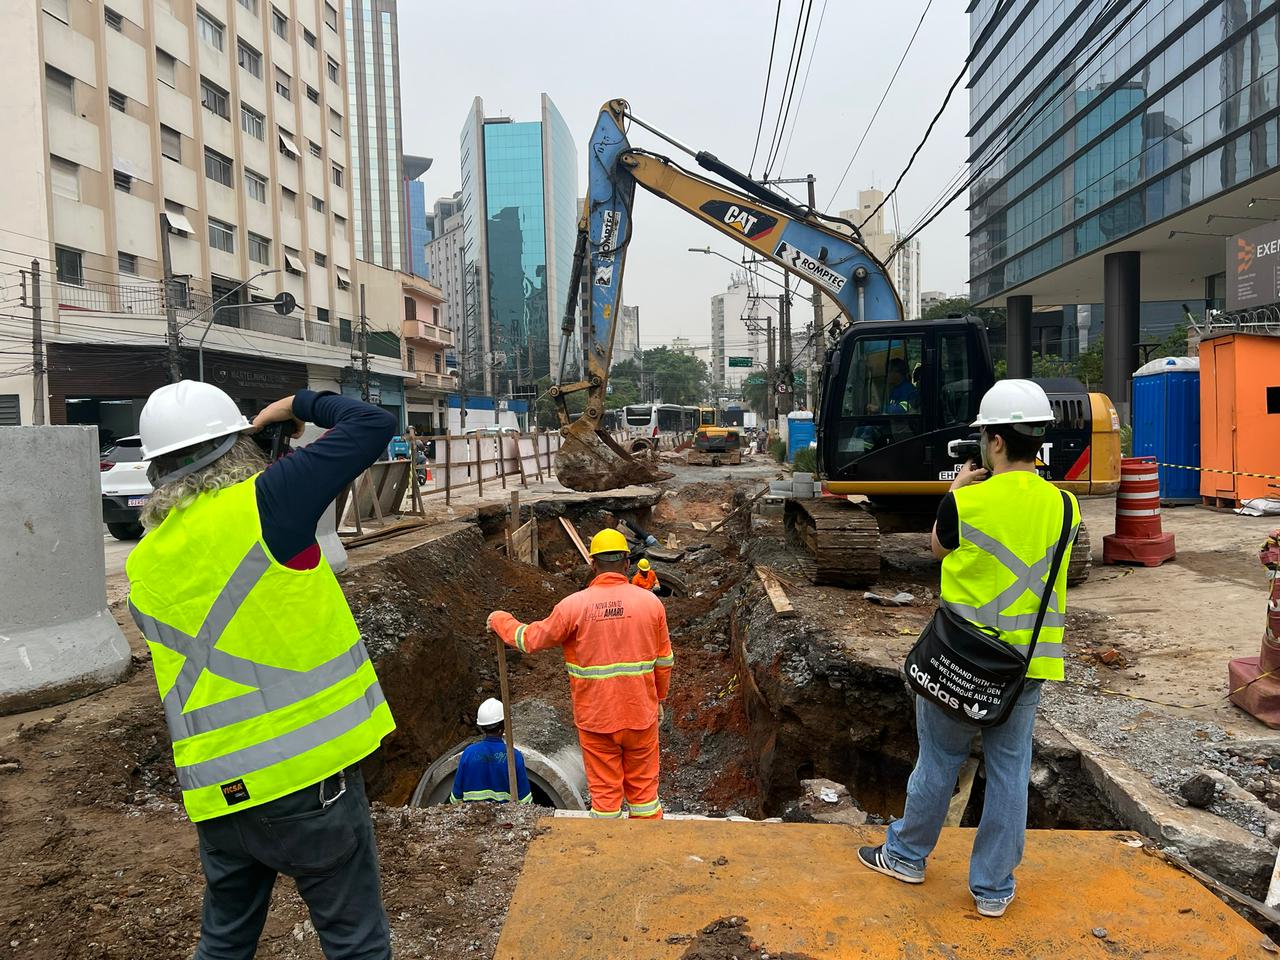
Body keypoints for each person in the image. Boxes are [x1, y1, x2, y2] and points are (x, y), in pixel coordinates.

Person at [126, 380, 398, 959]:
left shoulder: (144, 560)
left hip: (219, 798)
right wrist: (296, 406)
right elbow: (372, 425)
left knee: (224, 942)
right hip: (307, 786)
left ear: (157, 471)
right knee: (356, 944)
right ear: (237, 446)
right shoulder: (268, 504)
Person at [858, 379, 1078, 919]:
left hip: (959, 660)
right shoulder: (1067, 507)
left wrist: (956, 492)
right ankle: (994, 888)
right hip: (1027, 666)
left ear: (996, 442)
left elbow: (938, 548)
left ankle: (907, 855)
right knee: (1008, 770)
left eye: (983, 437)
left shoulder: (966, 503)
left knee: (939, 759)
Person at [486, 529, 673, 820]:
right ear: (627, 563)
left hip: (596, 719)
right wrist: (659, 698)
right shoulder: (651, 604)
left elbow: (530, 640)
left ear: (593, 565)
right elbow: (664, 662)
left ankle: (609, 851)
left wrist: (501, 620)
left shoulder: (574, 606)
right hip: (640, 715)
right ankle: (646, 851)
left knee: (605, 798)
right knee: (645, 796)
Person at [449, 698, 533, 804]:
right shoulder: (514, 756)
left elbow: (455, 798)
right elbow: (525, 801)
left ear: (482, 727)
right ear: (503, 726)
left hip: (473, 817)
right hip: (506, 818)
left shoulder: (468, 753)